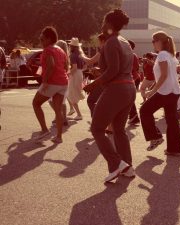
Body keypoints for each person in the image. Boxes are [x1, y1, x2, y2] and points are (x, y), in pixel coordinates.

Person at [83, 9, 136, 182]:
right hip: (129, 88)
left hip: (116, 89)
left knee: (97, 128)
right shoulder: (124, 41)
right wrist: (100, 72)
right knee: (119, 130)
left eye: (105, 22)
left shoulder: (112, 41)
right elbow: (118, 68)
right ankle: (127, 166)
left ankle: (116, 164)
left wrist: (93, 84)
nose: (102, 25)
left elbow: (113, 70)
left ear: (111, 24)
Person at [139, 31, 180, 155]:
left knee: (145, 111)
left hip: (166, 91)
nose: (153, 44)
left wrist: (152, 91)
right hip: (174, 91)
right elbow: (165, 76)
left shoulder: (163, 55)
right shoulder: (171, 55)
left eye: (154, 41)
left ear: (159, 41)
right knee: (172, 120)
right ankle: (174, 149)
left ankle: (155, 137)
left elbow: (164, 75)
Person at [32, 26, 69, 143]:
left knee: (36, 103)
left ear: (48, 39)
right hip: (64, 82)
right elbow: (66, 66)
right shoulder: (60, 50)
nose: (41, 42)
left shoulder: (48, 49)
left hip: (53, 82)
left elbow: (52, 65)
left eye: (42, 39)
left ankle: (44, 130)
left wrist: (46, 81)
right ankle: (59, 137)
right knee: (58, 110)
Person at [49, 40, 70, 126]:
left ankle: (59, 116)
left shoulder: (56, 55)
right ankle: (63, 119)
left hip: (56, 80)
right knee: (62, 101)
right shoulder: (66, 56)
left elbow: (52, 67)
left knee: (51, 100)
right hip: (65, 80)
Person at [67, 37, 85, 120]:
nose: (69, 46)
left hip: (75, 74)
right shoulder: (80, 54)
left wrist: (68, 73)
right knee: (73, 93)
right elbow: (85, 66)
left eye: (70, 45)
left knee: (72, 94)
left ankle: (78, 114)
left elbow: (74, 68)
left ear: (72, 47)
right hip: (80, 73)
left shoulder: (73, 55)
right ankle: (74, 111)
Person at [127, 40, 140, 125]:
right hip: (134, 77)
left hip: (132, 78)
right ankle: (133, 116)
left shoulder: (129, 55)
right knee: (128, 98)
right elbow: (137, 67)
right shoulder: (133, 55)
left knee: (129, 99)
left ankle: (134, 116)